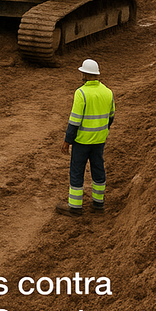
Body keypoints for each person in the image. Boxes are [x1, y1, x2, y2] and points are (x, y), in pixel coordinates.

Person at [56, 59, 115, 217]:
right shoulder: (108, 92)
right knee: (98, 169)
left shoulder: (81, 93)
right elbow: (111, 117)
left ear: (85, 74)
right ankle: (98, 204)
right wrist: (101, 131)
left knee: (76, 171)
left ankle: (75, 207)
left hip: (82, 142)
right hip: (99, 141)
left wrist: (67, 141)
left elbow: (74, 121)